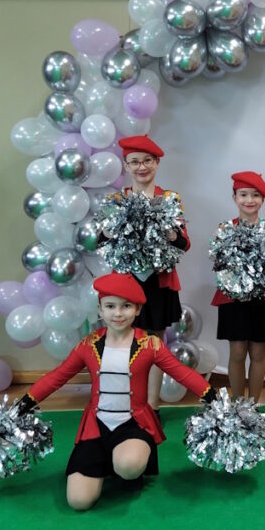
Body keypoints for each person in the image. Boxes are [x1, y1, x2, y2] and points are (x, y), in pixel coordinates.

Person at [17, 272, 214, 511]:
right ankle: (107, 462)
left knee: (128, 466)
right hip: (95, 428)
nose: (118, 313)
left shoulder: (150, 344)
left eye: (126, 306)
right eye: (110, 306)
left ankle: (127, 465)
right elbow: (58, 376)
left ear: (138, 310)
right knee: (78, 502)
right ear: (100, 310)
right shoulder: (88, 344)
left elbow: (181, 373)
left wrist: (211, 397)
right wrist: (26, 402)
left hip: (133, 425)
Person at [113, 135, 191, 416]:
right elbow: (100, 240)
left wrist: (169, 233)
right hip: (126, 283)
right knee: (126, 343)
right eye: (134, 162)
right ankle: (128, 405)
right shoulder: (117, 200)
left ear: (157, 163)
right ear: (126, 165)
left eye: (147, 161)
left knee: (155, 344)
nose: (141, 167)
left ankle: (152, 407)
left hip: (158, 281)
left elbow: (184, 243)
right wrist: (110, 231)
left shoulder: (169, 199)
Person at [211, 171, 265, 404]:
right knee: (237, 351)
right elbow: (218, 264)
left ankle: (253, 404)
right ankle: (237, 404)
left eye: (255, 195)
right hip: (233, 300)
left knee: (258, 352)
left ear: (262, 199)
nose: (249, 200)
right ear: (234, 198)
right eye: (243, 194)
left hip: (261, 299)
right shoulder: (225, 230)